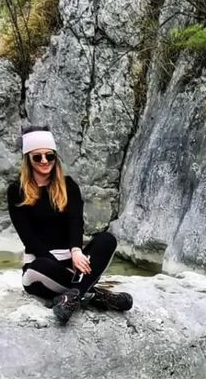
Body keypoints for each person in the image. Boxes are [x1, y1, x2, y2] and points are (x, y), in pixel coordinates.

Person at [7, 125, 132, 324]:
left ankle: (71, 297)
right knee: (40, 266)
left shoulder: (68, 185)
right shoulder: (16, 191)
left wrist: (75, 251)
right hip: (41, 268)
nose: (45, 161)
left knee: (106, 240)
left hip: (73, 265)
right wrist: (64, 269)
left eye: (50, 156)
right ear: (27, 160)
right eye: (37, 157)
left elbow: (76, 221)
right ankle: (92, 293)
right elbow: (29, 238)